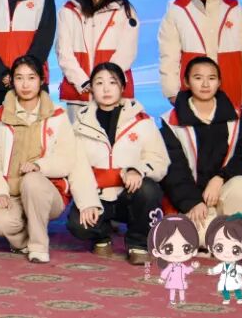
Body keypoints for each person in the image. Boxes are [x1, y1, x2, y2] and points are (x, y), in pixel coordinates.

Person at [67, 62, 168, 265]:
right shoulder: (80, 125)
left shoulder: (142, 121)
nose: (106, 89)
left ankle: (138, 243)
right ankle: (102, 236)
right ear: (91, 89)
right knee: (78, 224)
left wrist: (137, 170)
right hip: (98, 195)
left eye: (112, 82)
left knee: (149, 190)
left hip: (129, 195)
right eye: (99, 83)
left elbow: (159, 160)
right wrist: (88, 202)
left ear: (122, 87)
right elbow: (76, 169)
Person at [159, 56, 242, 240]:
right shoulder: (172, 123)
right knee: (198, 238)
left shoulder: (237, 118)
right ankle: (221, 232)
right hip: (191, 201)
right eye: (198, 78)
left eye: (211, 78)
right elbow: (173, 171)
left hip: (225, 192)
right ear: (186, 82)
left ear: (219, 82)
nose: (205, 84)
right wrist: (192, 202)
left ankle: (232, 235)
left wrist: (221, 177)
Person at [0, 55, 74, 264]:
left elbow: (67, 159)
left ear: (41, 80)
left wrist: (39, 166)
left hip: (48, 191)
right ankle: (27, 235)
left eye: (31, 78)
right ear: (11, 81)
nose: (25, 85)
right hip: (12, 193)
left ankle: (38, 246)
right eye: (19, 78)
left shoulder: (58, 115)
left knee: (32, 180)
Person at [56, 0, 139, 107]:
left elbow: (127, 52)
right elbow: (63, 52)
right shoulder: (69, 10)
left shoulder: (124, 11)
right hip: (79, 92)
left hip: (114, 93)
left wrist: (104, 83)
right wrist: (83, 81)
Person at [148, 213, 200, 307]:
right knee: (172, 290)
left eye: (186, 248)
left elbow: (187, 270)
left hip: (181, 281)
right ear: (156, 252)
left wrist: (192, 267)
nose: (178, 253)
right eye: (168, 249)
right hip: (172, 281)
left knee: (181, 290)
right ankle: (172, 300)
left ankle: (182, 300)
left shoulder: (182, 266)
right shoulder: (170, 266)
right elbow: (165, 272)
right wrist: (162, 278)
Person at [205, 214, 242, 305]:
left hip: (234, 280)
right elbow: (217, 269)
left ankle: (239, 298)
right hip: (224, 280)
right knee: (224, 289)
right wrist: (211, 271)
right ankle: (226, 299)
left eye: (235, 250)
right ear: (210, 247)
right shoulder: (222, 265)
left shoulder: (235, 266)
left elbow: (241, 270)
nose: (226, 253)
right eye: (219, 248)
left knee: (237, 289)